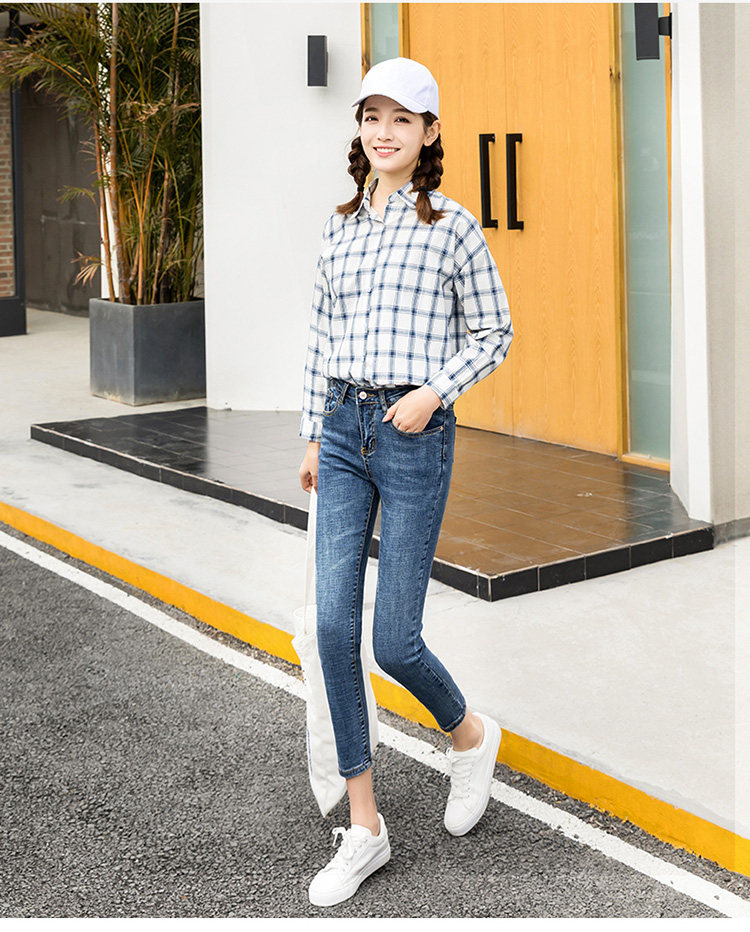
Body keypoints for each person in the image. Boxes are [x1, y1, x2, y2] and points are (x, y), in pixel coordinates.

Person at [297, 57, 513, 908]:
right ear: (360, 129)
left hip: (414, 434)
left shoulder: (454, 226)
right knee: (330, 626)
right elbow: (321, 335)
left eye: (402, 119)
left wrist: (433, 393)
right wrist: (312, 433)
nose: (384, 132)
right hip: (343, 431)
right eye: (372, 117)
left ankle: (470, 735)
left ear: (429, 133)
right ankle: (365, 826)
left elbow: (494, 331)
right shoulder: (340, 226)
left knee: (393, 641)